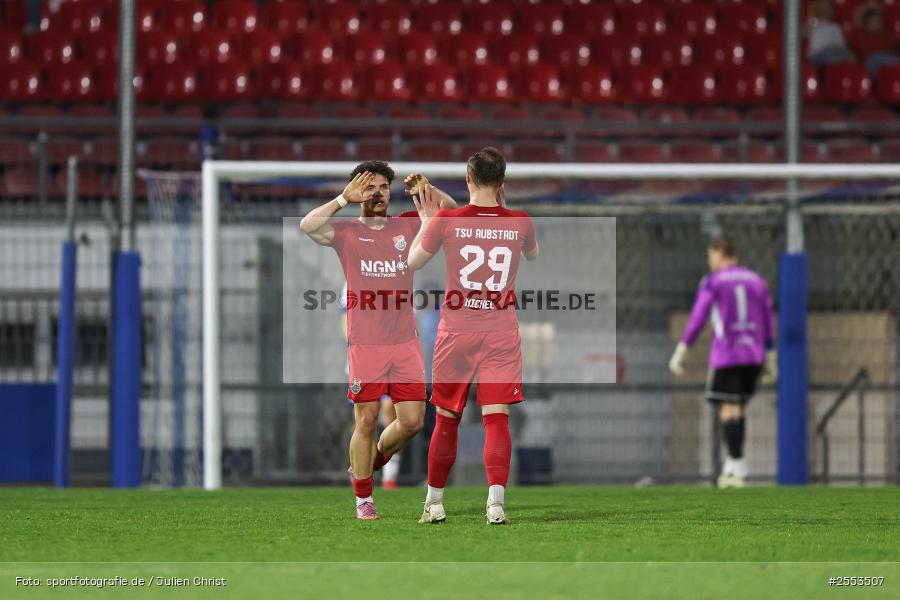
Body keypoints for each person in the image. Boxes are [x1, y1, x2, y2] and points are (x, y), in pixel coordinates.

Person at [299, 161, 456, 519]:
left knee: (414, 421)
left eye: (384, 187)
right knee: (367, 421)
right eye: (370, 187)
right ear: (358, 191)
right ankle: (363, 499)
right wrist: (342, 198)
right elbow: (308, 225)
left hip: (404, 342)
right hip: (365, 344)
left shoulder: (406, 223)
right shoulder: (347, 232)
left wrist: (427, 189)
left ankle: (367, 464)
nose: (378, 193)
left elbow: (449, 210)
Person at [407, 147, 539, 525]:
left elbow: (414, 261)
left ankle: (434, 504)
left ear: (468, 178)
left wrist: (425, 220)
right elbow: (532, 255)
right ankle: (495, 504)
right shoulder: (520, 221)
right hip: (499, 332)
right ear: (502, 182)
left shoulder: (447, 221)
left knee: (446, 419)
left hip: (456, 332)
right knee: (496, 420)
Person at [668, 238, 777, 489]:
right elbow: (767, 318)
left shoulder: (713, 282)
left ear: (720, 253)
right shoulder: (757, 281)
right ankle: (732, 464)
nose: (710, 261)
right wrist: (770, 354)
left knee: (727, 408)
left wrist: (684, 347)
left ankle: (738, 466)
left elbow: (699, 316)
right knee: (739, 407)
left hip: (727, 353)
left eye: (711, 255)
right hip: (753, 354)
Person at [339, 283, 401, 490]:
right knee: (364, 421)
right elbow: (345, 321)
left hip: (393, 357)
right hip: (364, 359)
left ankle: (388, 474)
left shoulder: (397, 271)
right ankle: (360, 468)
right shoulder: (352, 280)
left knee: (392, 412)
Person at [854, 2, 900, 80]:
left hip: (885, 65)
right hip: (870, 63)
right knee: (876, 57)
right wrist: (869, 5)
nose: (877, 23)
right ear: (867, 23)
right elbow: (856, 17)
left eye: (879, 20)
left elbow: (894, 48)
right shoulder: (863, 33)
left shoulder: (885, 34)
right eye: (874, 21)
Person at [806, 0, 856, 66]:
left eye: (828, 6)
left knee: (850, 54)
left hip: (833, 52)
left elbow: (841, 45)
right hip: (817, 55)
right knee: (828, 54)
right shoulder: (812, 25)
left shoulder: (836, 27)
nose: (825, 8)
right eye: (823, 5)